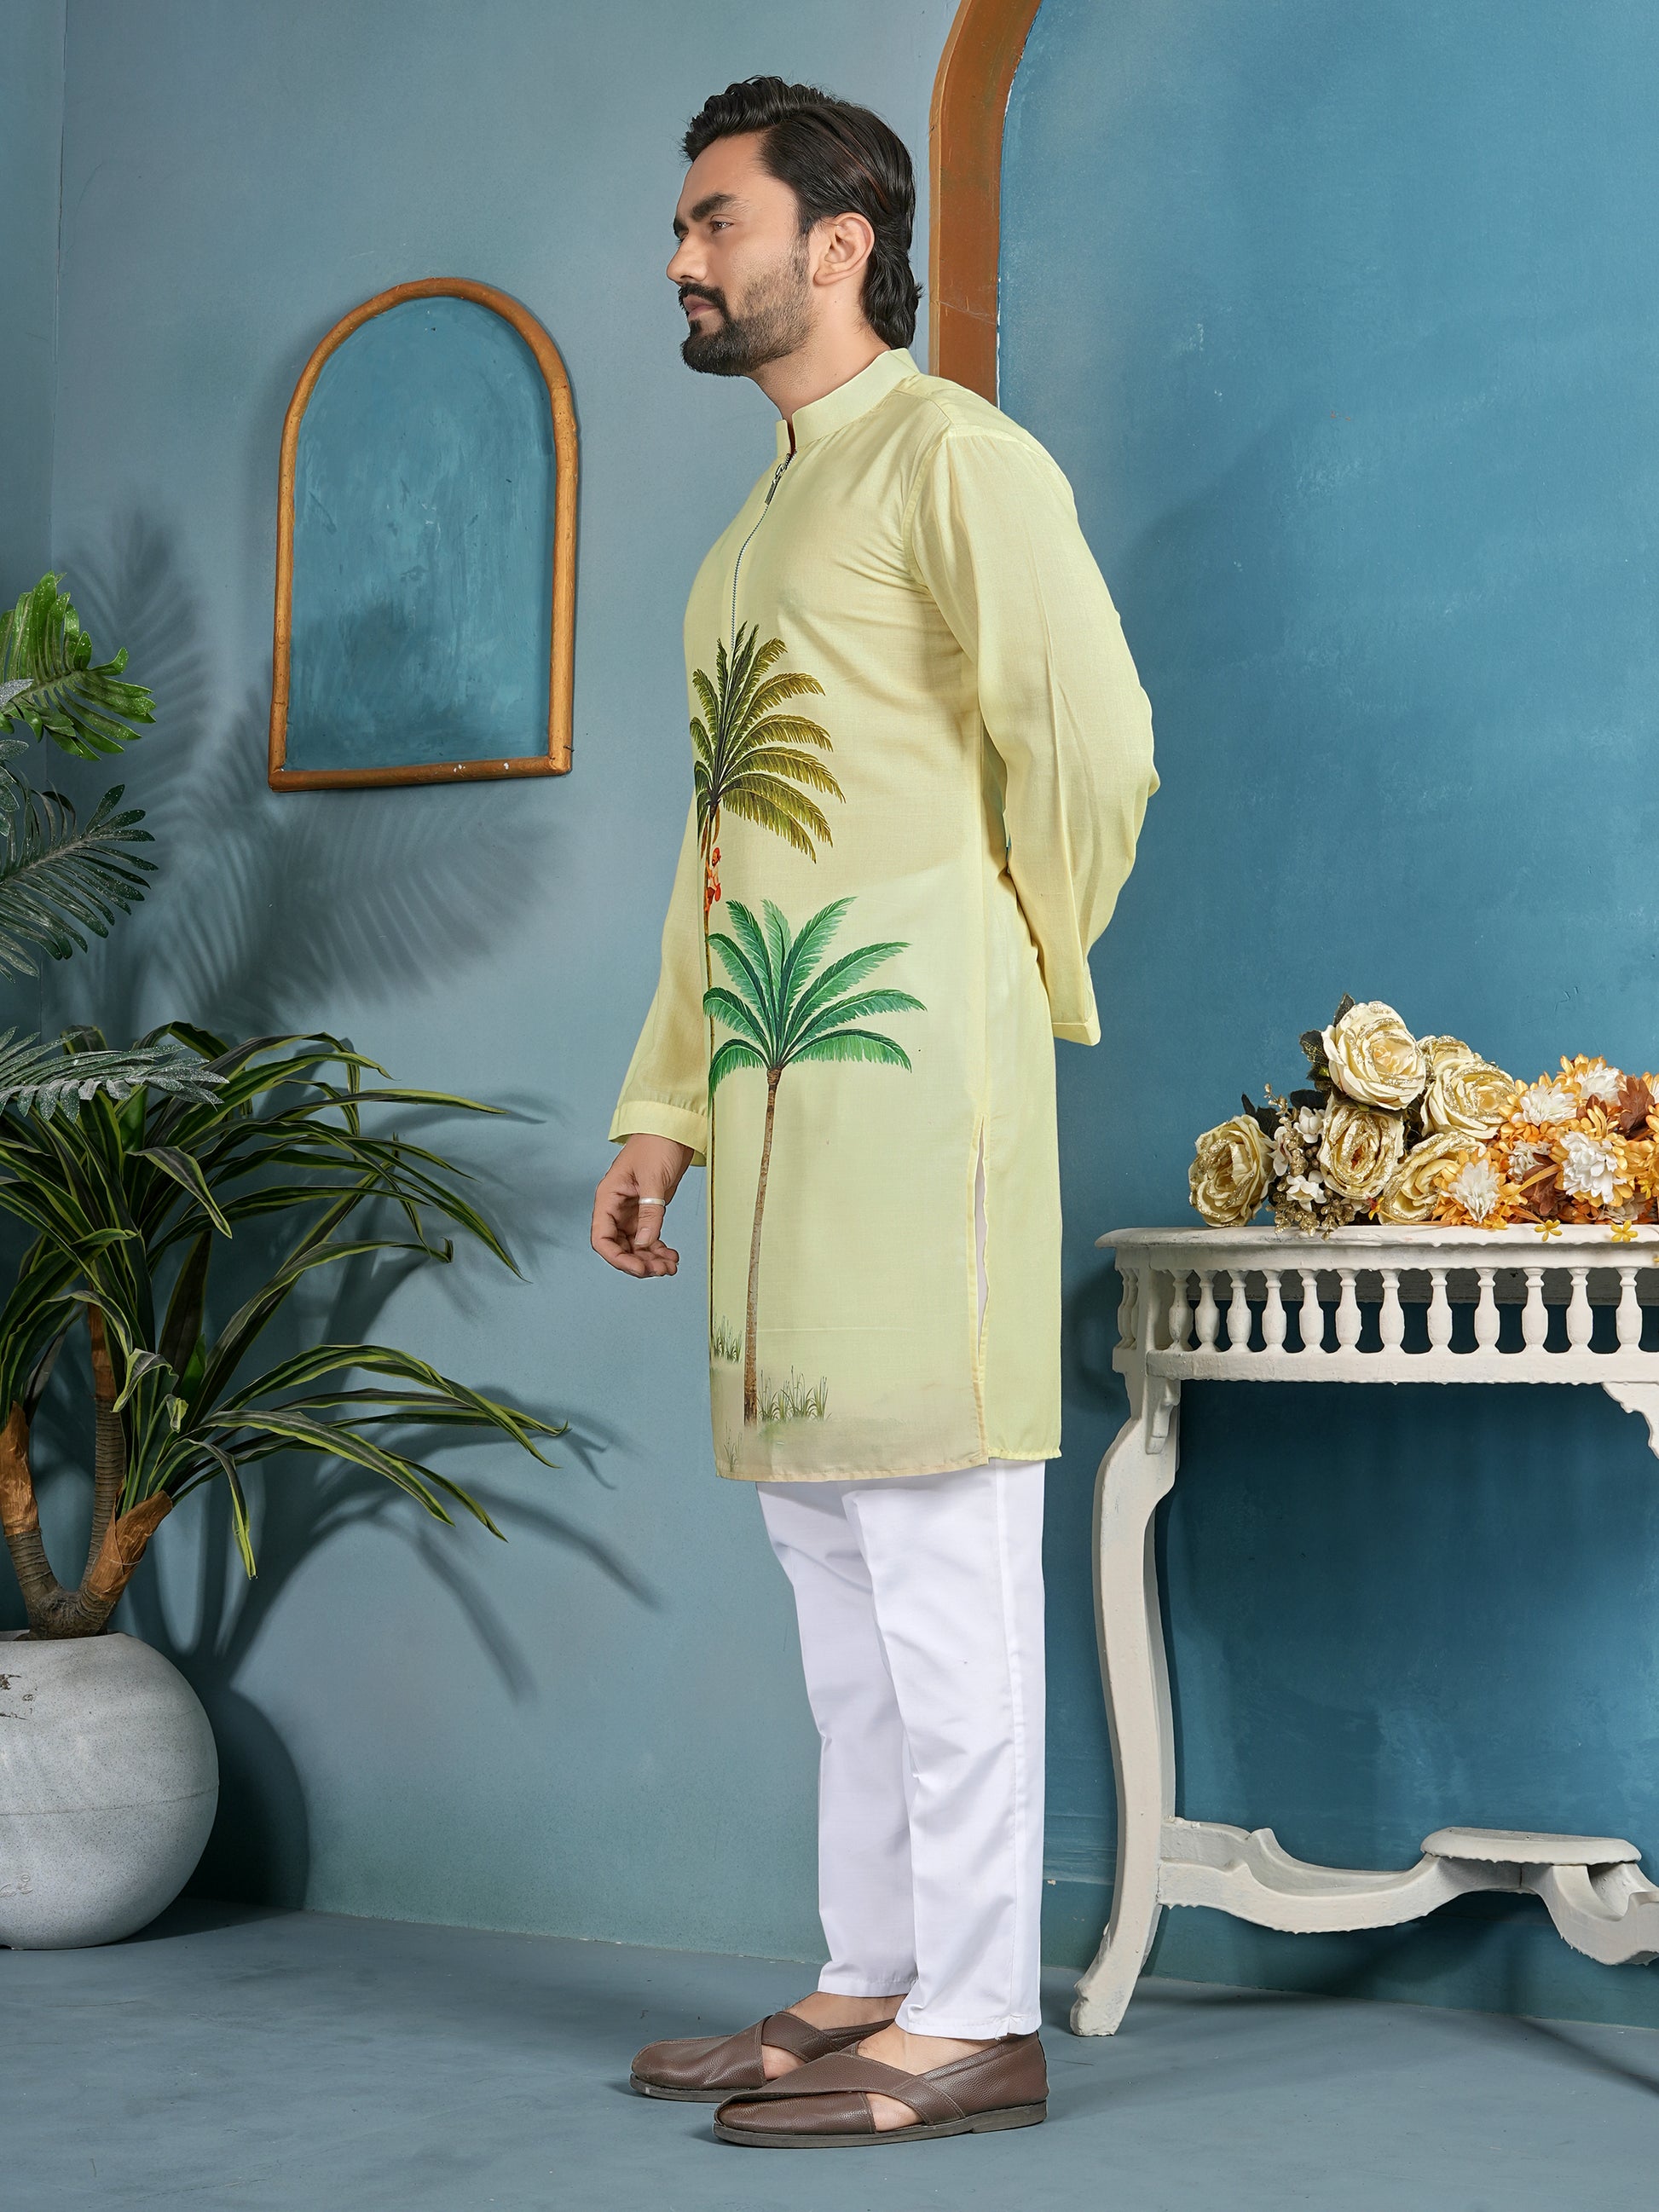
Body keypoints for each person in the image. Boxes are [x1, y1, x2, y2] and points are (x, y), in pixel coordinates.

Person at [592, 75, 1156, 2151]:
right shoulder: (752, 533)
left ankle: (980, 2014)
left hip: (917, 1094)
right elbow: (716, 847)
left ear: (835, 244)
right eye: (683, 224)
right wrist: (666, 1103)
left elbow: (1090, 741)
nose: (681, 255)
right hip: (774, 1107)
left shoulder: (955, 460)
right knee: (835, 1567)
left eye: (713, 221)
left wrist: (1001, 955)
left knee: (939, 1554)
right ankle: (868, 1973)